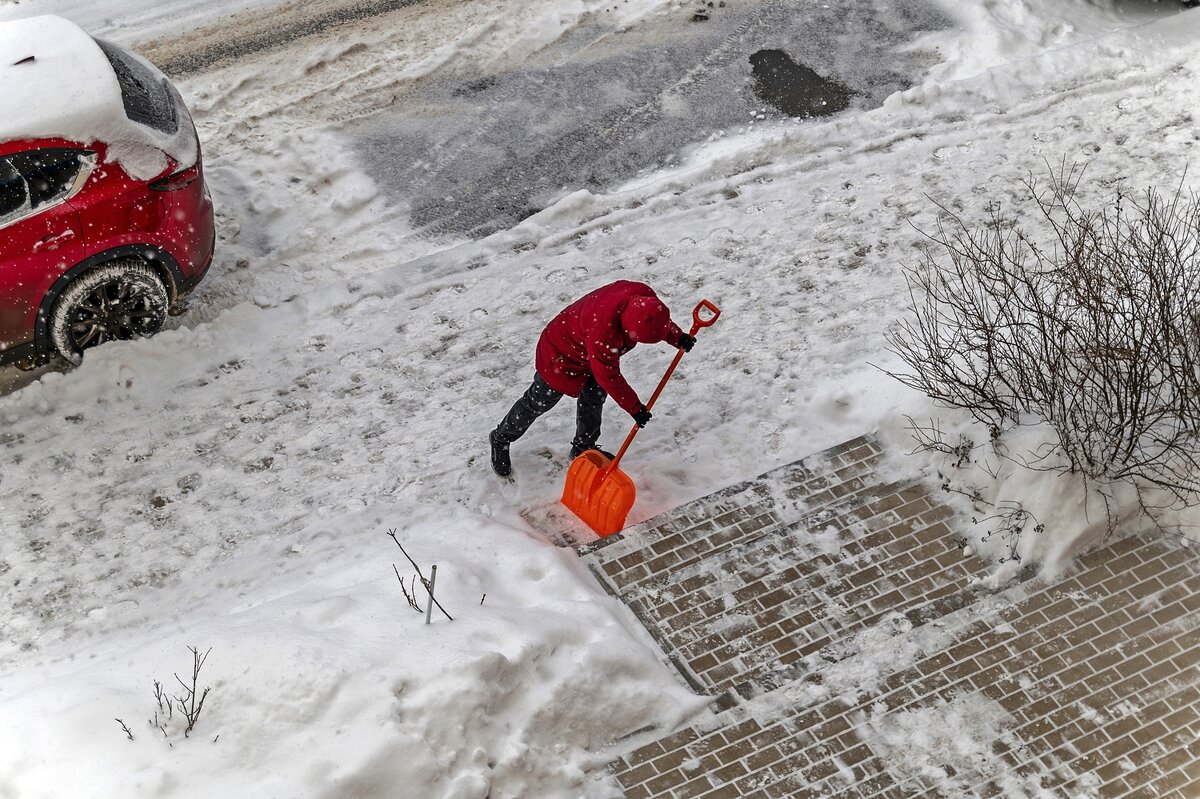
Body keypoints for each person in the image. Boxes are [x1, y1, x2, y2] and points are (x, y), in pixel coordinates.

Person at [489, 280, 695, 477]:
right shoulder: (604, 332)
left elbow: (656, 321)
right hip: (561, 353)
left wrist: (676, 336)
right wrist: (634, 408)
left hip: (588, 347)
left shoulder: (643, 296)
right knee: (539, 400)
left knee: (593, 398)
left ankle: (583, 447)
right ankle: (500, 438)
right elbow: (610, 376)